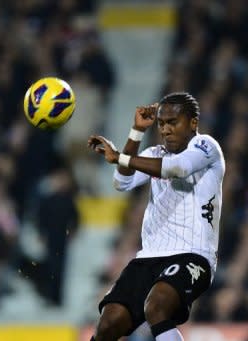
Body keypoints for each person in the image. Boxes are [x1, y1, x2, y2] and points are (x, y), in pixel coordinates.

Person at [87, 92, 225, 341]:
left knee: (157, 306)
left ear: (193, 122)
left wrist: (119, 156)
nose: (166, 130)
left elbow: (177, 168)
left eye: (173, 122)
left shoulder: (206, 147)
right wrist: (136, 133)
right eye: (162, 124)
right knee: (109, 323)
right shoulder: (154, 153)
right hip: (149, 256)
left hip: (193, 254)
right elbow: (121, 182)